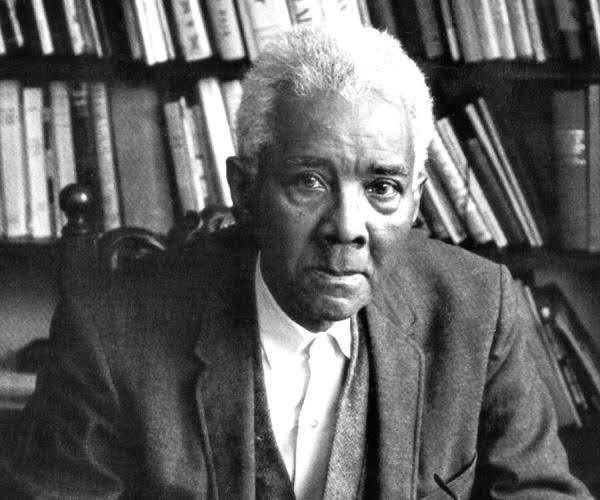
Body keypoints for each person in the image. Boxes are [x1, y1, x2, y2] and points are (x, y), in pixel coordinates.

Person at [0, 25, 593, 499]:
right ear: (245, 189)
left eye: (382, 188)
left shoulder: (477, 308)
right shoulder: (110, 335)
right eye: (309, 181)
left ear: (415, 199)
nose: (347, 227)